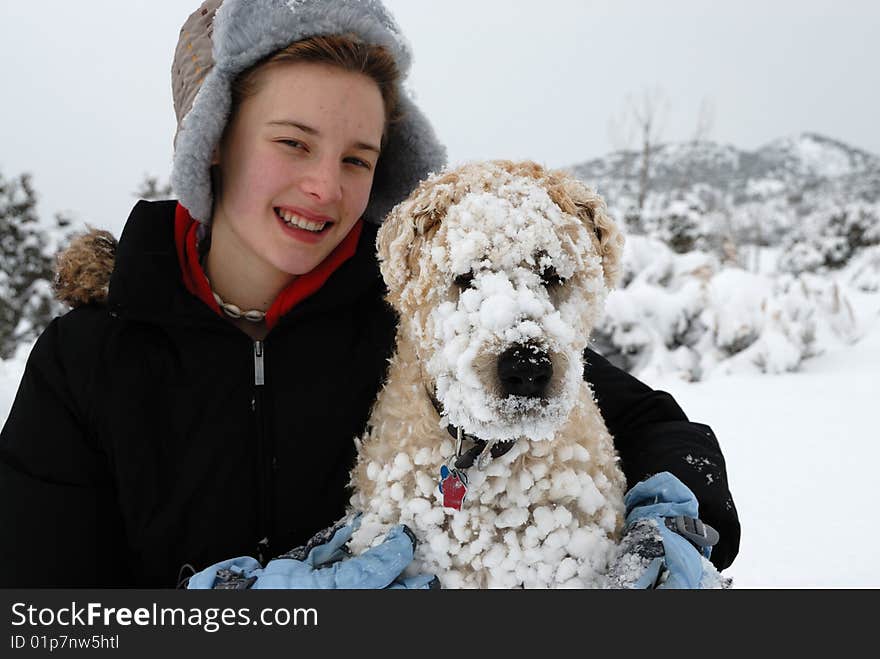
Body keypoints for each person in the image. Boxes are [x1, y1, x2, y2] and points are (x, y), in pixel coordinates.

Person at [0, 0, 739, 588]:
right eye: (292, 142)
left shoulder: (415, 315)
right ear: (216, 140)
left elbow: (648, 422)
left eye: (358, 157)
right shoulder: (86, 361)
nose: (325, 187)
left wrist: (678, 514)